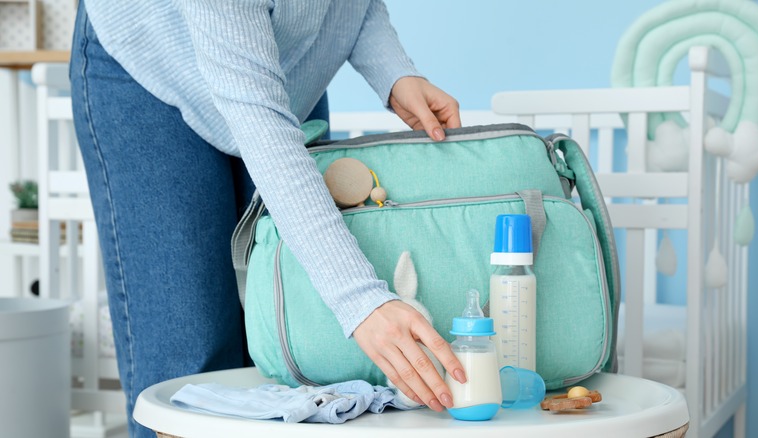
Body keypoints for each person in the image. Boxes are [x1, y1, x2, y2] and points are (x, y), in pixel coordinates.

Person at [69, 1, 465, 436]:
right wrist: (361, 300)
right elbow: (258, 118)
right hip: (154, 61)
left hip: (285, 67)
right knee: (189, 358)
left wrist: (394, 72)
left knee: (293, 348)